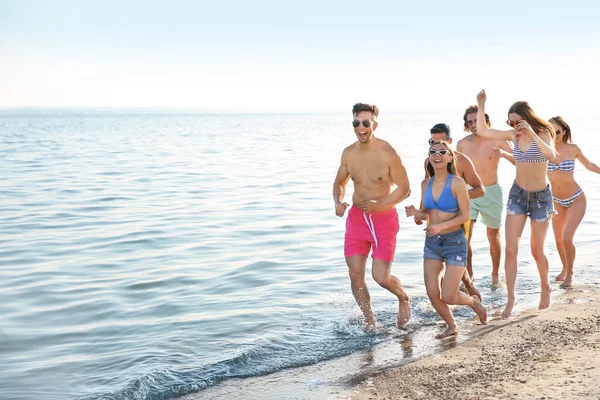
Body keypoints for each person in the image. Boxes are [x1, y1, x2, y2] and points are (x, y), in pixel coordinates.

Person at [475, 90, 557, 318]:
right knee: (510, 249)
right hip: (518, 195)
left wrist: (531, 132)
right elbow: (483, 131)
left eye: (516, 121)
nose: (513, 125)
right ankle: (510, 298)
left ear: (527, 118)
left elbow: (550, 155)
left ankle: (545, 287)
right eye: (510, 122)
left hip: (541, 197)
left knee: (537, 250)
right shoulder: (513, 136)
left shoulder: (543, 132)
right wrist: (481, 104)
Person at [333, 103, 412, 330]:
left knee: (381, 277)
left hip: (383, 220)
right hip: (357, 219)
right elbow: (339, 182)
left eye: (366, 123)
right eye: (356, 123)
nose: (361, 127)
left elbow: (405, 188)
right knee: (355, 274)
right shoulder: (348, 153)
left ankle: (403, 297)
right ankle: (370, 321)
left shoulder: (388, 152)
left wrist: (380, 205)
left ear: (374, 125)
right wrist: (338, 202)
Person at [406, 140, 487, 338]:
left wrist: (440, 225)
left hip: (455, 242)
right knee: (432, 292)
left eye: (443, 152)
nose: (438, 155)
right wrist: (416, 214)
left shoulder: (458, 183)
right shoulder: (426, 184)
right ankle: (451, 325)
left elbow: (464, 216)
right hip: (432, 243)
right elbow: (426, 213)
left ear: (450, 157)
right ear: (429, 157)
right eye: (433, 152)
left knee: (449, 296)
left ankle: (473, 302)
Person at [416, 123, 484, 300]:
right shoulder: (429, 161)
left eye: (441, 143)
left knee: (457, 249)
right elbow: (427, 189)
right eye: (432, 143)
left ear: (450, 142)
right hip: (434, 218)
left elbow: (480, 189)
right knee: (437, 255)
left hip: (458, 214)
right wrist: (419, 213)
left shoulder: (462, 160)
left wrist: (455, 198)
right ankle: (443, 297)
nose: (436, 151)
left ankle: (467, 285)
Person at [457, 106, 515, 286]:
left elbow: (520, 160)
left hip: (491, 192)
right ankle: (469, 276)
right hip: (469, 192)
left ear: (485, 120)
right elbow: (457, 172)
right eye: (470, 121)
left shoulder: (497, 139)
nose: (473, 124)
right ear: (466, 124)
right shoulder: (462, 144)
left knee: (494, 234)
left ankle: (495, 276)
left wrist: (504, 154)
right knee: (465, 235)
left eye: (476, 120)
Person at [547, 116, 600, 288]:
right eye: (551, 131)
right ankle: (564, 267)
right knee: (558, 240)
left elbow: (590, 165)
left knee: (567, 238)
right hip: (556, 201)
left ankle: (570, 274)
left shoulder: (572, 149)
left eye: (558, 131)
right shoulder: (544, 150)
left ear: (564, 131)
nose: (555, 134)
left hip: (576, 198)